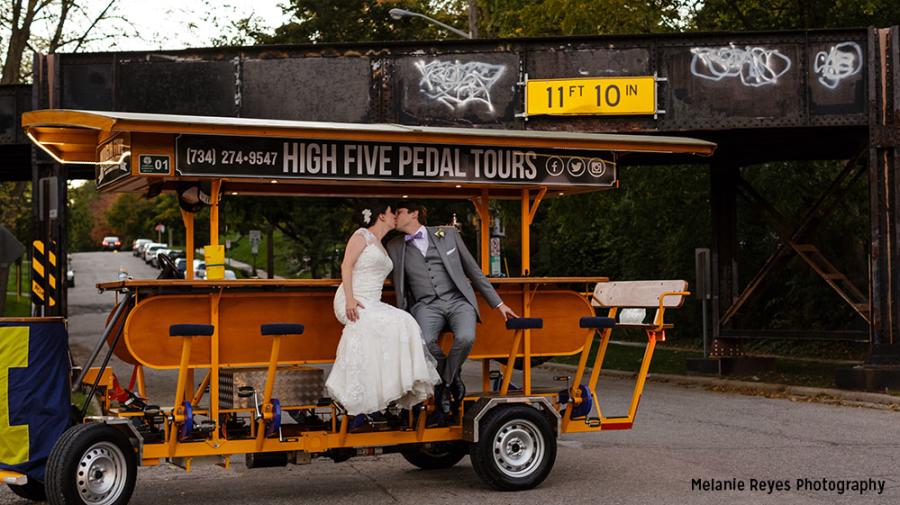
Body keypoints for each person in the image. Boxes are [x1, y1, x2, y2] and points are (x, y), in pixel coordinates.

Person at [386, 202, 517, 422]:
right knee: (424, 342)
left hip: (458, 301)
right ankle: (452, 377)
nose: (394, 217)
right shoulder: (394, 246)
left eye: (398, 212)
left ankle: (444, 384)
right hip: (425, 305)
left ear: (414, 213)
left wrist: (499, 304)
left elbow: (473, 271)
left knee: (466, 337)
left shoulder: (447, 234)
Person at [326, 202, 441, 419]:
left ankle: (397, 385)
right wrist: (350, 299)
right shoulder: (362, 236)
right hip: (354, 299)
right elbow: (346, 265)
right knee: (389, 322)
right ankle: (370, 391)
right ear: (381, 216)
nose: (395, 217)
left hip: (372, 301)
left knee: (405, 320)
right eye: (392, 213)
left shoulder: (382, 243)